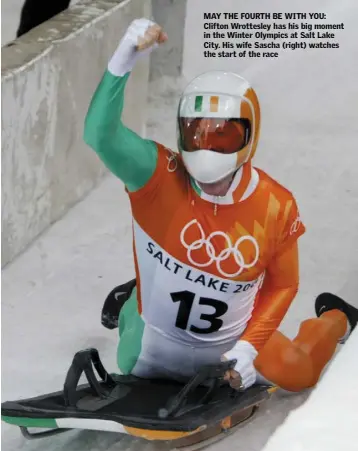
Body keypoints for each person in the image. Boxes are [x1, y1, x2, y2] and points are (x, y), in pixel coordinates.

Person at [84, 18, 358, 392]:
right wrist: (123, 58)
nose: (207, 145)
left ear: (249, 136)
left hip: (229, 338)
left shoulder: (276, 206)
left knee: (301, 372)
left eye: (223, 134)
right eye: (197, 132)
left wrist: (247, 349)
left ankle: (338, 317)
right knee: (128, 361)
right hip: (153, 344)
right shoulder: (157, 174)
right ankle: (138, 298)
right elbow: (100, 134)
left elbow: (284, 285)